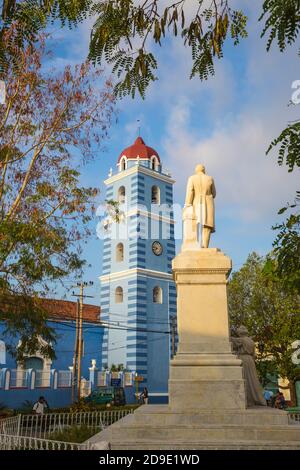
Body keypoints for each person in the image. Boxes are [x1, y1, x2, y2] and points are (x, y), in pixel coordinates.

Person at [231, 326, 266, 407]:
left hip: (243, 359)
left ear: (239, 333)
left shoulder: (241, 340)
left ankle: (248, 400)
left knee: (246, 379)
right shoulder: (251, 341)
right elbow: (254, 354)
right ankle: (256, 399)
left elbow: (228, 339)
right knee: (252, 379)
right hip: (250, 360)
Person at [184, 164, 216, 248]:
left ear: (196, 170)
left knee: (196, 224)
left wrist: (187, 204)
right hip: (208, 203)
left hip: (196, 203)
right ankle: (205, 246)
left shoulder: (192, 178)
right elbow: (214, 194)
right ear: (204, 170)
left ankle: (197, 244)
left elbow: (190, 192)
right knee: (207, 226)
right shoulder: (210, 178)